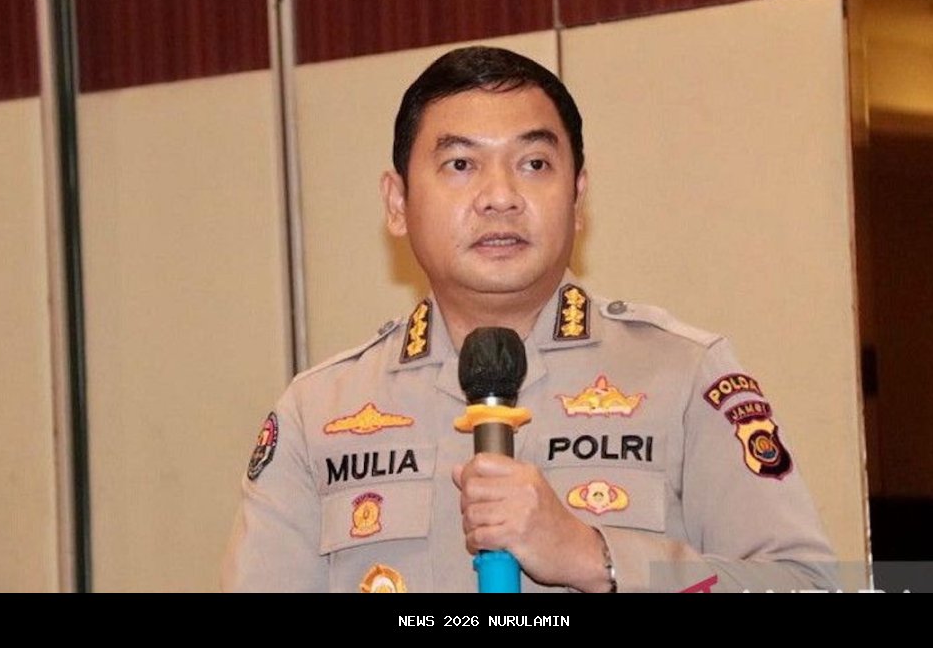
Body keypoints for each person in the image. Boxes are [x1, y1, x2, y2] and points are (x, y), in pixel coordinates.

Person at [221, 46, 837, 592]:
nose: (500, 196)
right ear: (398, 202)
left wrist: (598, 558)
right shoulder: (318, 413)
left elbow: (808, 586)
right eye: (460, 165)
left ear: (578, 197)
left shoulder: (683, 376)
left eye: (534, 164)